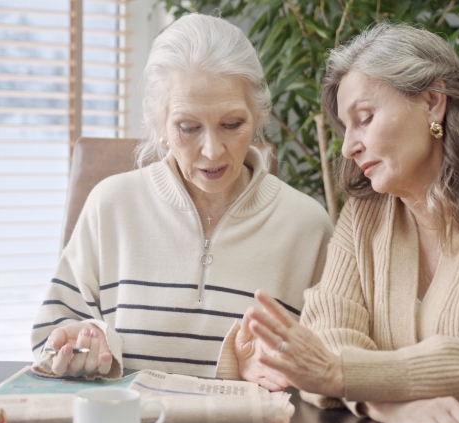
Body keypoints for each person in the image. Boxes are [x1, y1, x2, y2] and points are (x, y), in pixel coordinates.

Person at [233, 23, 459, 423]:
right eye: (346, 127)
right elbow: (327, 338)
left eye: (364, 118)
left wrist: (345, 376)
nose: (349, 146)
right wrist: (390, 406)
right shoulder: (365, 214)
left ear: (433, 102)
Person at [29, 13, 333, 381]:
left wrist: (290, 366)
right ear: (160, 126)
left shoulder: (307, 225)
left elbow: (334, 367)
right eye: (188, 128)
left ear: (257, 116)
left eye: (232, 125)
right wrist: (81, 348)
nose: (212, 150)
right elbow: (48, 340)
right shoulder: (110, 205)